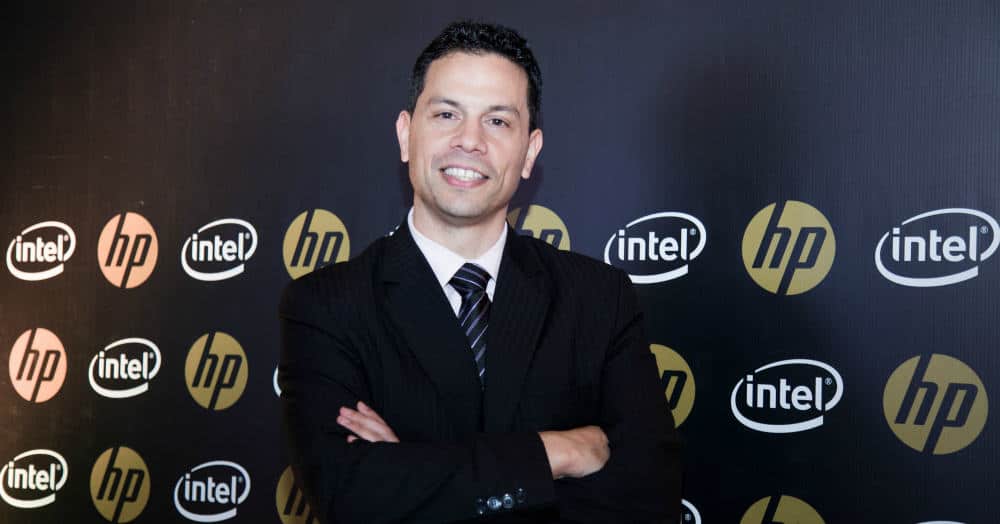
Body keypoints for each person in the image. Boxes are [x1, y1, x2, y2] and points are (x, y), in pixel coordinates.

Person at [279, 20, 681, 523]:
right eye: (447, 114)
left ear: (529, 151)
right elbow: (351, 498)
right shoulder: (327, 306)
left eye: (497, 121)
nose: (469, 141)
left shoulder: (598, 297)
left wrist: (413, 471)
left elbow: (649, 497)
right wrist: (557, 453)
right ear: (406, 134)